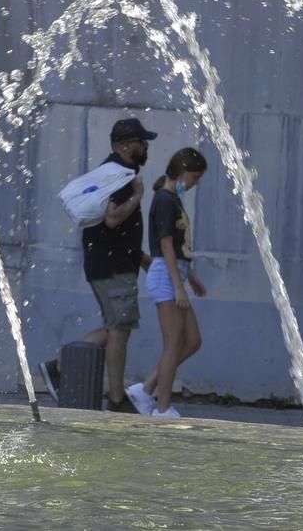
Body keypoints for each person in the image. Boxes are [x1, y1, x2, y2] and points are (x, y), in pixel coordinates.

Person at [38, 118, 156, 412]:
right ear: (126, 146)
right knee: (120, 330)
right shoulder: (121, 177)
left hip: (112, 263)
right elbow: (113, 219)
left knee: (116, 326)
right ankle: (116, 400)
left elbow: (116, 229)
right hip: (112, 267)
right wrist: (139, 195)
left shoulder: (114, 172)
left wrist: (140, 259)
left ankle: (59, 365)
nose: (146, 147)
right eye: (142, 142)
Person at [126, 147, 208, 418]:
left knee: (192, 340)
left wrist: (190, 278)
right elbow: (165, 245)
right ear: (183, 172)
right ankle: (162, 407)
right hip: (166, 276)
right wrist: (178, 285)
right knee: (173, 343)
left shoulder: (173, 198)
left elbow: (178, 246)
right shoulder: (164, 200)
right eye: (195, 177)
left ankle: (146, 389)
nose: (195, 183)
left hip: (176, 274)